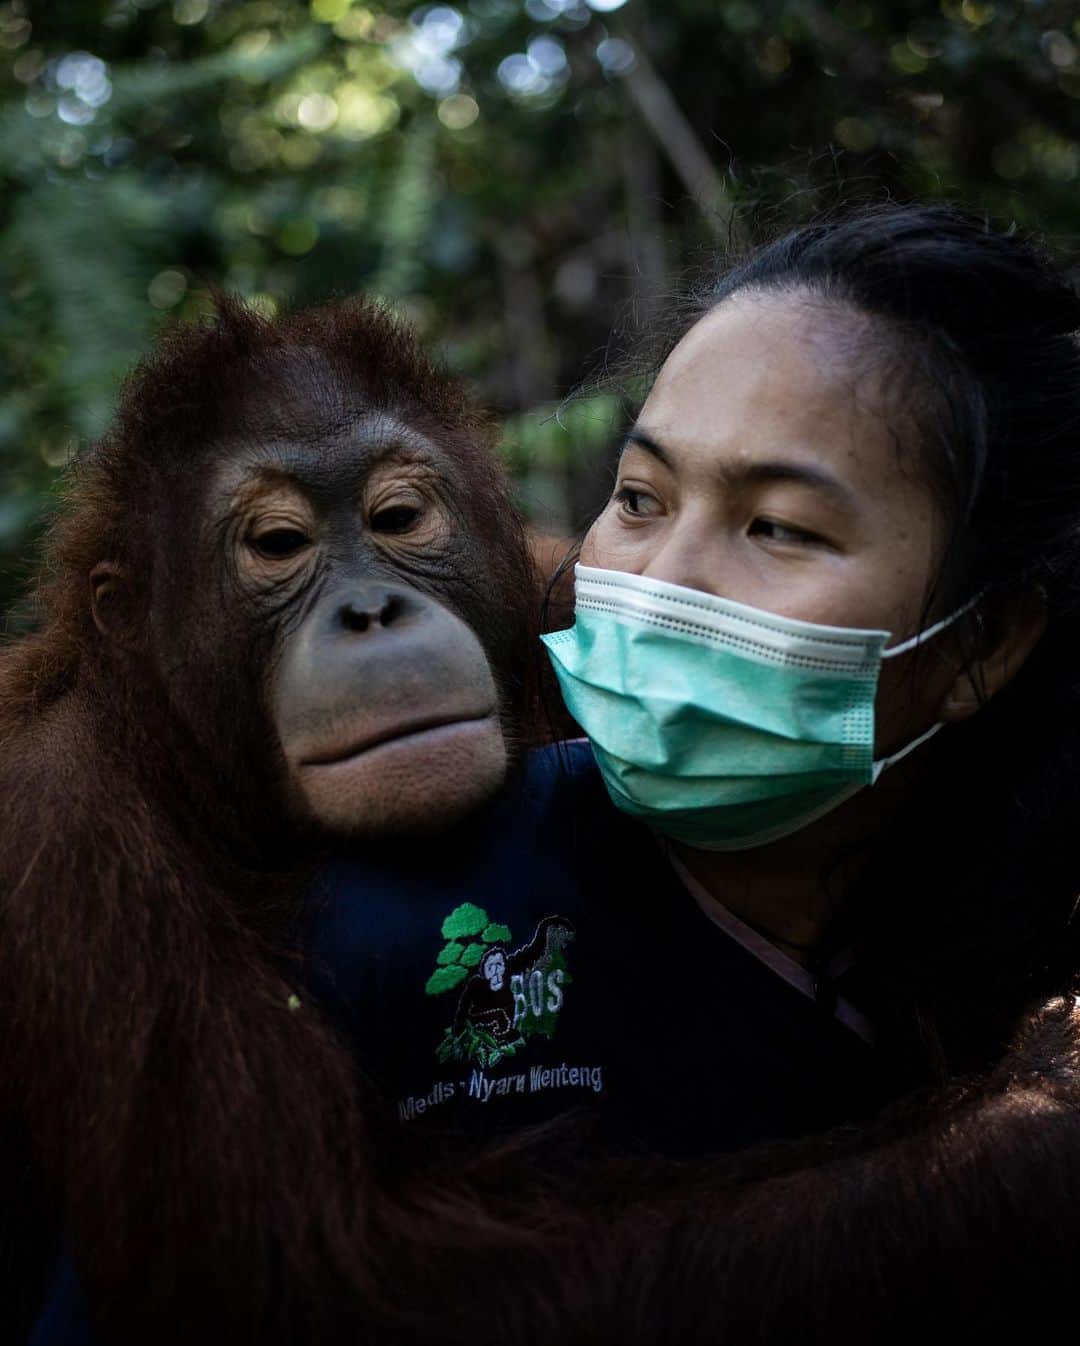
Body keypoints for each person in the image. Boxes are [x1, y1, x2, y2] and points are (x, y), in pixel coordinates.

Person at [308, 202, 1080, 1166]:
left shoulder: (1040, 937)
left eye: (780, 528)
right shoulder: (392, 920)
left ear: (988, 642)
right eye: (638, 497)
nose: (660, 583)